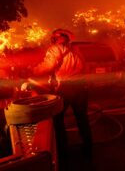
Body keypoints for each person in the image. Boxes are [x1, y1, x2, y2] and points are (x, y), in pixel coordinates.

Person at [32, 29, 93, 167]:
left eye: (55, 38)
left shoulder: (55, 49)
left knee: (57, 119)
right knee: (82, 119)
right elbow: (85, 67)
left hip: (66, 88)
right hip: (81, 87)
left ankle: (62, 152)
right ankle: (88, 150)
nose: (53, 40)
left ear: (58, 39)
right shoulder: (76, 50)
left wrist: (32, 70)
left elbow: (49, 65)